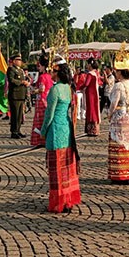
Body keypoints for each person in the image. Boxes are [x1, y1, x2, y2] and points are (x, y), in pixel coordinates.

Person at [39, 59, 81, 213]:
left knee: (56, 169)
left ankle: (59, 202)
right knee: (67, 168)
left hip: (56, 130)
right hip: (67, 130)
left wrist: (42, 131)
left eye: (53, 71)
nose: (51, 73)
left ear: (58, 74)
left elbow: (49, 115)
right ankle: (67, 200)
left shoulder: (55, 90)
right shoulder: (68, 88)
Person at [107, 51, 129, 185]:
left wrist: (109, 114)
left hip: (119, 117)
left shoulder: (118, 85)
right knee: (128, 145)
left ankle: (119, 174)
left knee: (118, 144)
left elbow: (114, 103)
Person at [30, 54, 54, 147]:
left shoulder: (42, 77)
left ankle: (40, 140)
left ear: (43, 66)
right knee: (46, 120)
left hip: (41, 100)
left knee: (39, 120)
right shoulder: (49, 76)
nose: (38, 68)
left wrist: (33, 91)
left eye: (39, 66)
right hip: (47, 100)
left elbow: (41, 89)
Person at [6, 53, 29, 139]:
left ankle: (18, 130)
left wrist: (26, 82)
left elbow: (24, 79)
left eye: (20, 60)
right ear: (14, 61)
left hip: (21, 95)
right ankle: (14, 131)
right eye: (18, 60)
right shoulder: (11, 69)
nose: (20, 62)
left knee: (19, 115)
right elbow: (11, 80)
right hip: (14, 95)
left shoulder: (21, 70)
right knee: (15, 114)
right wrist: (21, 82)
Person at [77, 59, 101, 136]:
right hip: (94, 94)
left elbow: (86, 84)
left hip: (90, 94)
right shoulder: (95, 73)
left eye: (87, 64)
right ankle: (95, 128)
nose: (87, 66)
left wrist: (79, 87)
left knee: (91, 110)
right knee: (94, 109)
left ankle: (91, 129)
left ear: (90, 65)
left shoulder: (90, 74)